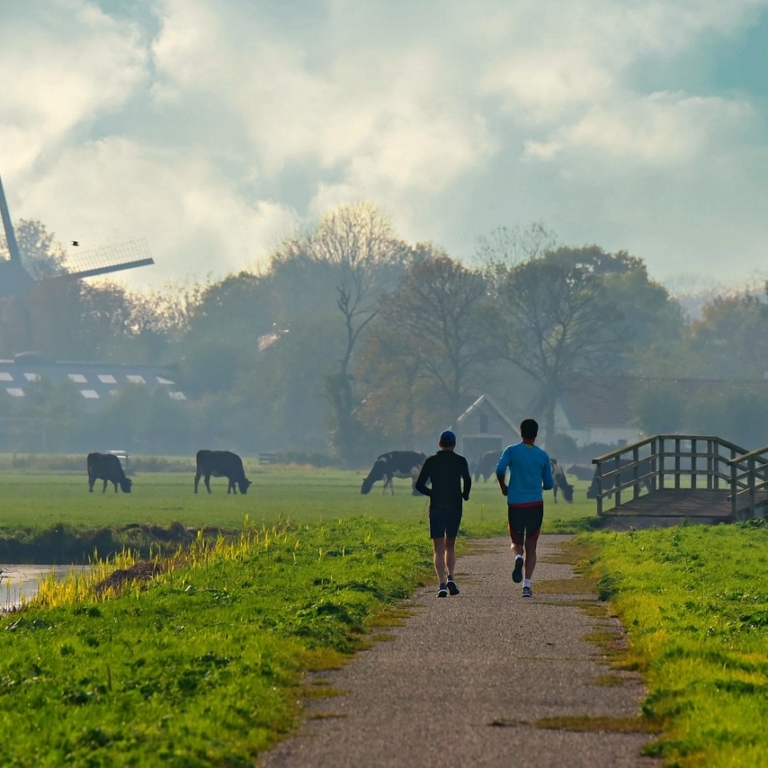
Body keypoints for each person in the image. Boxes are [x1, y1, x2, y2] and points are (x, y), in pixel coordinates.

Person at [495, 419, 553, 598]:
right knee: (532, 545)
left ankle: (518, 557)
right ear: (536, 434)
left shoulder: (511, 451)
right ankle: (526, 586)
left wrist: (503, 486)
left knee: (516, 542)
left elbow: (500, 469)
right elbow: (549, 484)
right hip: (535, 504)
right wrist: (539, 484)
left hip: (515, 503)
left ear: (521, 432)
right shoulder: (543, 456)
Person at [415, 429, 472, 597]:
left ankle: (441, 584)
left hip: (437, 506)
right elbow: (467, 480)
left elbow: (419, 485)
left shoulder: (431, 461)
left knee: (438, 548)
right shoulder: (460, 461)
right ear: (454, 444)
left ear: (439, 444)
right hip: (455, 505)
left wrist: (432, 493)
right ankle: (451, 576)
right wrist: (465, 494)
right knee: (450, 545)